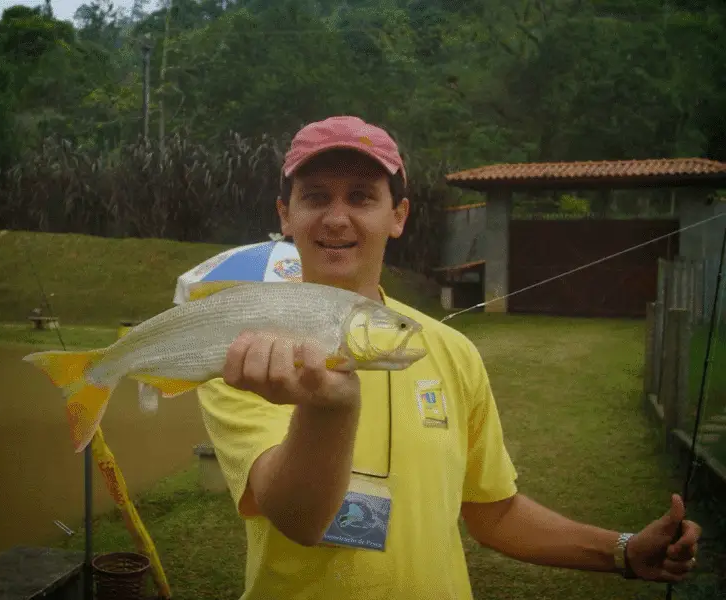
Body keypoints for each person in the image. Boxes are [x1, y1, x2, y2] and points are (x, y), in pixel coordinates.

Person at [196, 115, 702, 599]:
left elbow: (493, 513)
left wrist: (624, 552)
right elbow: (300, 520)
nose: (336, 217)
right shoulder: (246, 349)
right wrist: (328, 409)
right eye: (315, 197)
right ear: (286, 215)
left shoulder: (452, 351)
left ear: (398, 216)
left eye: (361, 197)